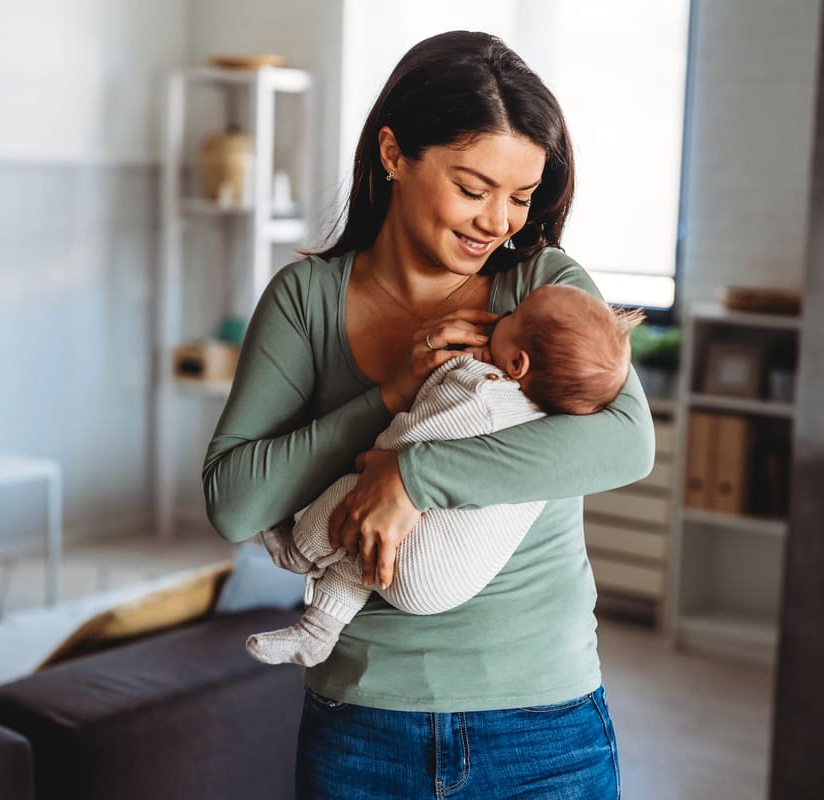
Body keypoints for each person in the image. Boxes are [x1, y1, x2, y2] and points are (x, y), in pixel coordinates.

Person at [202, 30, 654, 799]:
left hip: (544, 725)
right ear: (392, 153)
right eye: (475, 188)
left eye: (521, 196)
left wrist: (415, 474)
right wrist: (390, 398)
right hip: (364, 727)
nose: (499, 222)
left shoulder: (542, 289)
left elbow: (627, 444)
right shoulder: (306, 300)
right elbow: (234, 503)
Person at [245, 285, 645, 668]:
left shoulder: (481, 393)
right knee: (361, 556)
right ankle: (317, 633)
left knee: (357, 495)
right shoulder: (547, 432)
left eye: (514, 315)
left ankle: (297, 552)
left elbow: (407, 440)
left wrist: (454, 367)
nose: (504, 314)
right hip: (450, 582)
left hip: (419, 559)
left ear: (517, 364)